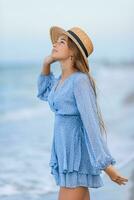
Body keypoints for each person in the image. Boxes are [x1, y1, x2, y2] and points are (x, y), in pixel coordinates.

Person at [37, 26, 128, 200]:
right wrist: (46, 63)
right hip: (65, 157)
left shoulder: (80, 81)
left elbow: (91, 123)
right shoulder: (59, 82)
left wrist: (106, 166)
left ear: (73, 52)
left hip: (76, 159)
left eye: (61, 42)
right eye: (56, 41)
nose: (55, 44)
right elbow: (43, 92)